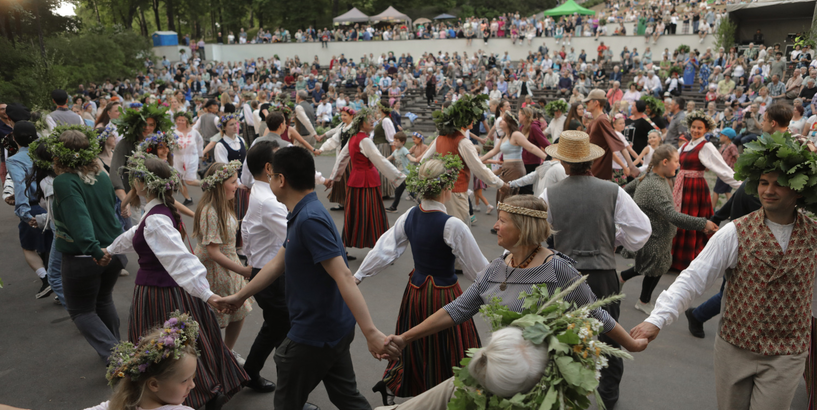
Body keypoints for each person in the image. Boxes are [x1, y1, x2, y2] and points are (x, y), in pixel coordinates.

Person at [373, 195, 649, 410]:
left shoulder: (557, 270)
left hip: (534, 381)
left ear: (524, 226)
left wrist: (631, 344)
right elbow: (458, 309)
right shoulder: (496, 268)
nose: (495, 225)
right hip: (497, 366)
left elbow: (597, 314)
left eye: (502, 220)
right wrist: (406, 338)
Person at [630, 130, 817, 410]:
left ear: (797, 188)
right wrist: (658, 319)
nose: (768, 190)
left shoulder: (813, 234)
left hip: (787, 351)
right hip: (735, 346)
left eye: (778, 184)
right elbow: (694, 277)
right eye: (763, 182)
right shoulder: (735, 232)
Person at [220, 146, 400, 410]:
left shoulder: (309, 219)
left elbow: (345, 277)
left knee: (287, 403)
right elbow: (276, 264)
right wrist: (239, 296)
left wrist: (371, 332)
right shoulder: (301, 212)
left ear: (281, 180)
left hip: (314, 333)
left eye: (271, 177)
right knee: (346, 397)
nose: (268, 181)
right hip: (330, 330)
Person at [105, 155, 249, 409]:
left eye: (133, 179)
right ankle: (188, 391)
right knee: (177, 346)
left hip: (160, 294)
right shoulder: (156, 213)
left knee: (167, 349)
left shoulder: (156, 219)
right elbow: (135, 233)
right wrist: (109, 249)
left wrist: (208, 295)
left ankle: (186, 396)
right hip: (162, 290)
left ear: (141, 184)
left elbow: (181, 259)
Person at [356, 156, 487, 405]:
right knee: (449, 346)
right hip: (443, 296)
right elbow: (479, 269)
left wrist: (358, 275)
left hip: (416, 292)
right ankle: (448, 396)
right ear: (447, 188)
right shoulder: (452, 225)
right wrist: (503, 292)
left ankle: (407, 388)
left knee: (416, 342)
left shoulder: (411, 215)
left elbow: (385, 249)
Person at [540, 130, 651, 409]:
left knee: (563, 336)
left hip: (562, 275)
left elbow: (537, 232)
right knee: (608, 337)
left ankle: (566, 395)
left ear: (564, 163)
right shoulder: (612, 190)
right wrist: (610, 239)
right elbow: (641, 231)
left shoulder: (550, 193)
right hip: (602, 274)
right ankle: (608, 399)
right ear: (590, 161)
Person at [51, 128, 125, 358]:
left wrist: (93, 249)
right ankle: (120, 350)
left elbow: (79, 219)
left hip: (87, 255)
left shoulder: (65, 181)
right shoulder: (101, 174)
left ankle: (119, 358)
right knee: (103, 300)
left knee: (81, 311)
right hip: (113, 249)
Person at [621, 145, 719, 314]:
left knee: (652, 267)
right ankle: (643, 301)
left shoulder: (650, 177)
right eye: (676, 161)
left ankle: (622, 279)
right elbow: (672, 216)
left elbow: (625, 191)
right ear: (665, 162)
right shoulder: (654, 186)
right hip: (655, 237)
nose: (678, 165)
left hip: (658, 236)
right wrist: (703, 224)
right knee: (654, 270)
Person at [419, 95, 509, 227]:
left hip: (441, 193)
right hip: (456, 193)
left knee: (442, 228)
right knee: (458, 231)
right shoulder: (463, 142)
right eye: (471, 118)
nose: (474, 121)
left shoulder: (441, 137)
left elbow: (423, 160)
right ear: (463, 120)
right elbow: (479, 168)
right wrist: (501, 184)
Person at [670, 110, 742, 271]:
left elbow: (722, 169)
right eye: (693, 127)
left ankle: (691, 260)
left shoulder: (706, 146)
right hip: (683, 186)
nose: (695, 130)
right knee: (681, 219)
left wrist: (741, 185)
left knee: (693, 219)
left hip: (695, 188)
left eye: (699, 128)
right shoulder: (687, 145)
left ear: (706, 130)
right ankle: (677, 259)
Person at [193, 161, 253, 353]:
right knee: (217, 315)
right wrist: (243, 269)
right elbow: (213, 251)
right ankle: (216, 354)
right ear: (219, 185)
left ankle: (226, 351)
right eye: (233, 182)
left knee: (239, 310)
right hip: (214, 267)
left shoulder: (224, 205)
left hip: (228, 261)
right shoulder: (210, 210)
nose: (237, 185)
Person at [327, 108, 405, 251]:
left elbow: (342, 159)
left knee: (354, 214)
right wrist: (400, 177)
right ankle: (382, 249)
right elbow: (380, 161)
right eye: (369, 120)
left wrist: (333, 178)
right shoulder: (364, 140)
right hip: (368, 182)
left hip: (355, 181)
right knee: (374, 216)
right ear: (361, 123)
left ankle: (346, 247)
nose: (373, 122)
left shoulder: (353, 138)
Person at [85, 312, 200, 410]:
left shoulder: (121, 403)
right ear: (154, 384)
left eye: (192, 377)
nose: (192, 385)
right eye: (185, 380)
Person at [7, 120, 53, 298]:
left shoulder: (15, 160)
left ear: (15, 138)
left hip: (33, 207)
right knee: (52, 245)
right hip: (51, 204)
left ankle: (46, 279)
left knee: (28, 247)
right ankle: (57, 284)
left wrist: (23, 213)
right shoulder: (45, 153)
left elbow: (19, 186)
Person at [480, 111, 548, 208]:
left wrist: (547, 158)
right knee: (503, 198)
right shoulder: (505, 135)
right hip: (506, 169)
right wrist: (480, 160)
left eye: (503, 120)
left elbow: (531, 147)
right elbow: (493, 151)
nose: (500, 122)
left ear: (509, 122)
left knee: (508, 198)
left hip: (515, 169)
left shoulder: (516, 134)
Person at [584, 89, 635, 180]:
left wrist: (631, 166)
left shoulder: (602, 120)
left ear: (596, 103)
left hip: (598, 173)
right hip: (592, 170)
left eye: (588, 101)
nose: (586, 103)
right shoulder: (594, 121)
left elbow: (618, 143)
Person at [172, 111, 202, 205]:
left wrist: (200, 154)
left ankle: (207, 184)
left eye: (183, 120)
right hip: (177, 158)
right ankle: (188, 199)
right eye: (178, 120)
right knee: (179, 180)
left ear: (187, 121)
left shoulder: (194, 132)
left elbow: (200, 142)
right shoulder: (173, 132)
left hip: (192, 157)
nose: (180, 122)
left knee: (189, 180)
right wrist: (174, 145)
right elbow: (168, 144)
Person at [384, 132, 416, 213]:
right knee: (398, 191)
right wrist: (381, 160)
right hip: (401, 176)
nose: (394, 142)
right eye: (394, 140)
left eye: (397, 141)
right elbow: (389, 158)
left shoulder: (403, 150)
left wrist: (415, 159)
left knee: (411, 193)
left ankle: (422, 206)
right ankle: (393, 207)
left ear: (403, 142)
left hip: (406, 175)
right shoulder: (396, 151)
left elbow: (409, 157)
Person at [711, 128, 739, 206]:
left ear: (727, 137)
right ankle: (732, 209)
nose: (719, 136)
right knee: (727, 192)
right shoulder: (723, 146)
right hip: (722, 172)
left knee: (716, 191)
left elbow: (737, 157)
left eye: (721, 135)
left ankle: (712, 210)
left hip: (726, 173)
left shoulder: (732, 146)